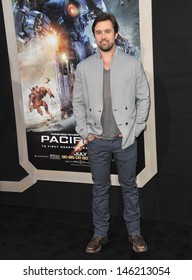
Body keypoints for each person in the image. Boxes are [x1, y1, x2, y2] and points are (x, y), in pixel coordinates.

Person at [72, 13, 150, 254]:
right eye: (98, 32)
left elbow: (143, 99)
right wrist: (85, 132)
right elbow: (78, 103)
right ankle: (99, 234)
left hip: (125, 140)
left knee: (129, 186)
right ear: (94, 36)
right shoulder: (83, 67)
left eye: (107, 31)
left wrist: (135, 130)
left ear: (115, 34)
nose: (103, 36)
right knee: (100, 188)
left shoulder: (132, 64)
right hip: (97, 141)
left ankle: (135, 232)